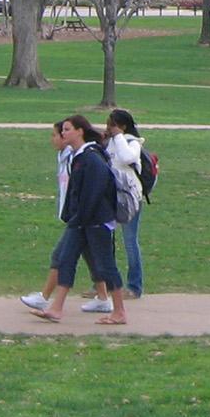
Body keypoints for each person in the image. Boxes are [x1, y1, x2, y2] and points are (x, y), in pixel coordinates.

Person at [27, 115, 127, 324]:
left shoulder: (91, 157)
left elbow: (95, 191)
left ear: (80, 131)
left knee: (106, 266)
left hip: (96, 222)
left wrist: (81, 217)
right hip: (80, 221)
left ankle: (119, 312)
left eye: (67, 129)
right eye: (62, 130)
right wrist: (71, 216)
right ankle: (55, 308)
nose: (63, 133)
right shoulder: (78, 156)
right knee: (65, 259)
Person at [103, 109, 147, 298]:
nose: (109, 128)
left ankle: (134, 286)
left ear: (123, 126)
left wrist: (119, 137)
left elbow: (127, 158)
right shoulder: (111, 142)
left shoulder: (133, 143)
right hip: (111, 195)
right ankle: (104, 283)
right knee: (104, 240)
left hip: (130, 197)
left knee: (130, 241)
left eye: (113, 125)